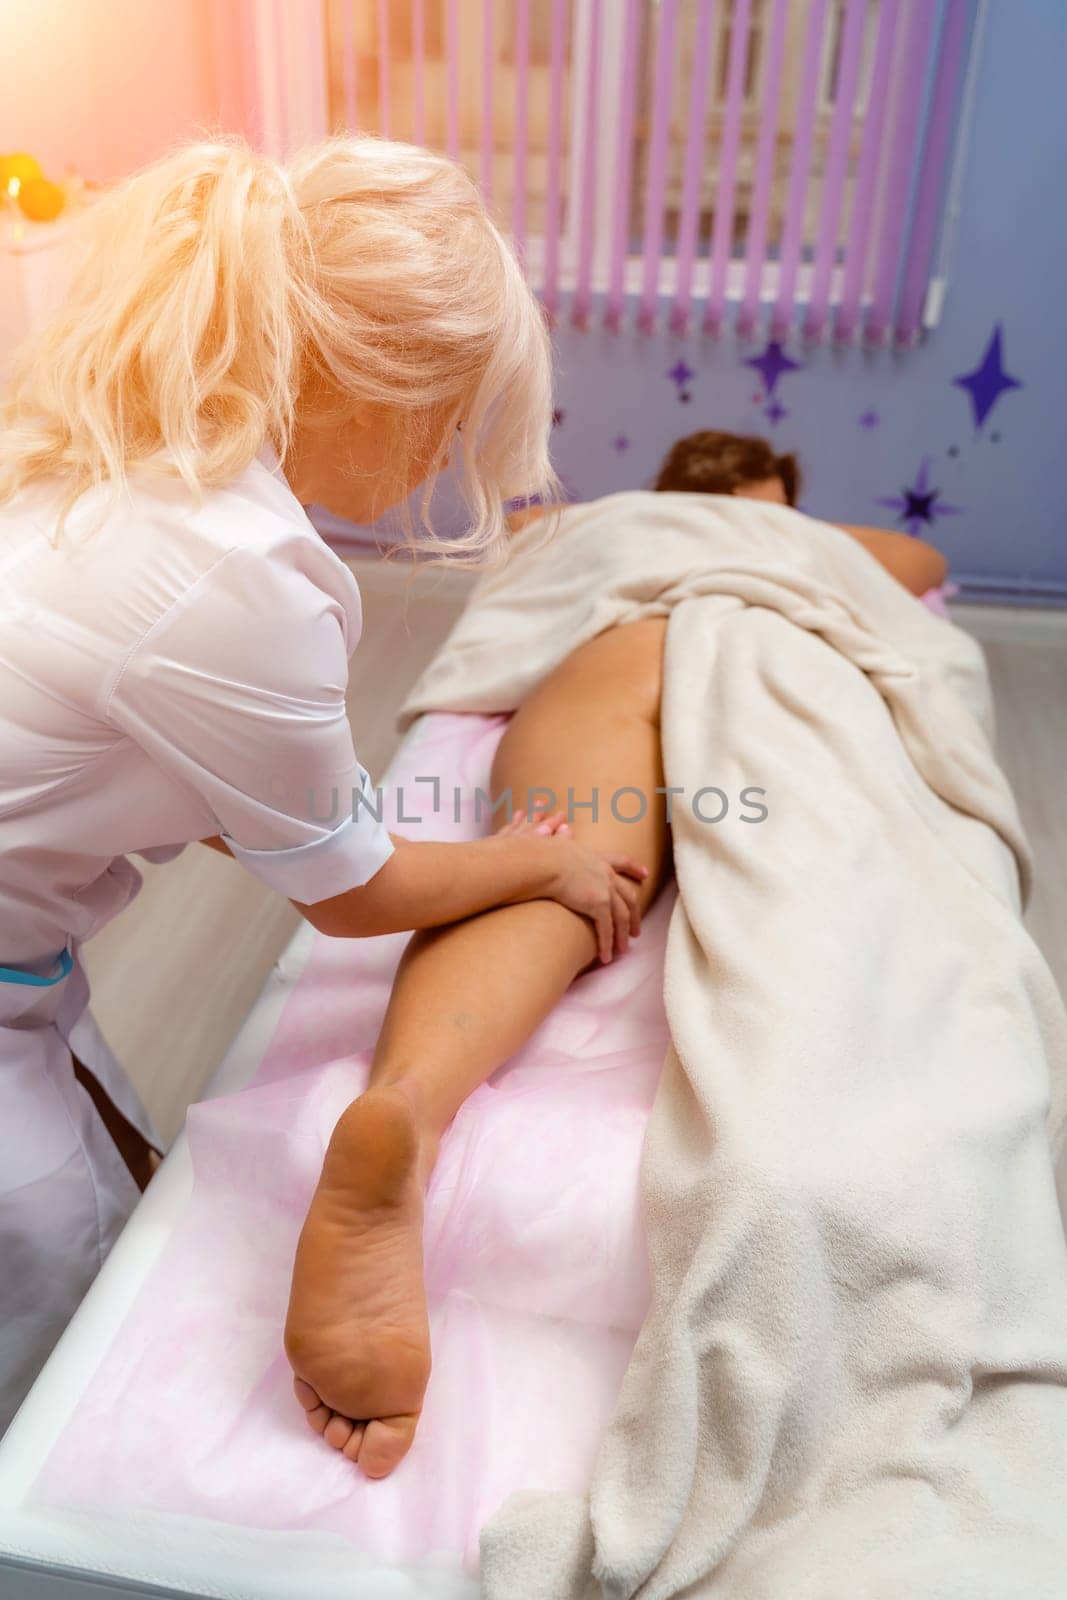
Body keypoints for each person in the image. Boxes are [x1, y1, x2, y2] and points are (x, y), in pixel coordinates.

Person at [0, 136, 648, 1435]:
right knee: (60, 1294)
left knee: (109, 1199)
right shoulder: (236, 581)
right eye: (449, 426)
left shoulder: (97, 452)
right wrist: (544, 858)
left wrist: (346, 827)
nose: (434, 466)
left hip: (27, 944)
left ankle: (394, 1121)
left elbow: (240, 793)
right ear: (385, 393)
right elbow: (354, 894)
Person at [283, 431, 951, 1477]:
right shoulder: (811, 540)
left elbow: (512, 541)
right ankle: (797, 1189)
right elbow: (920, 570)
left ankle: (405, 1109)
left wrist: (636, 516)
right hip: (788, 673)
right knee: (822, 902)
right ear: (767, 497)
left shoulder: (585, 527)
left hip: (620, 659)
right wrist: (779, 527)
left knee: (558, 859)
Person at [653, 429, 948, 596]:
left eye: (779, 516)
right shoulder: (646, 540)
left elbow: (928, 565)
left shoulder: (801, 550)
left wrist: (798, 531)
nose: (758, 530)